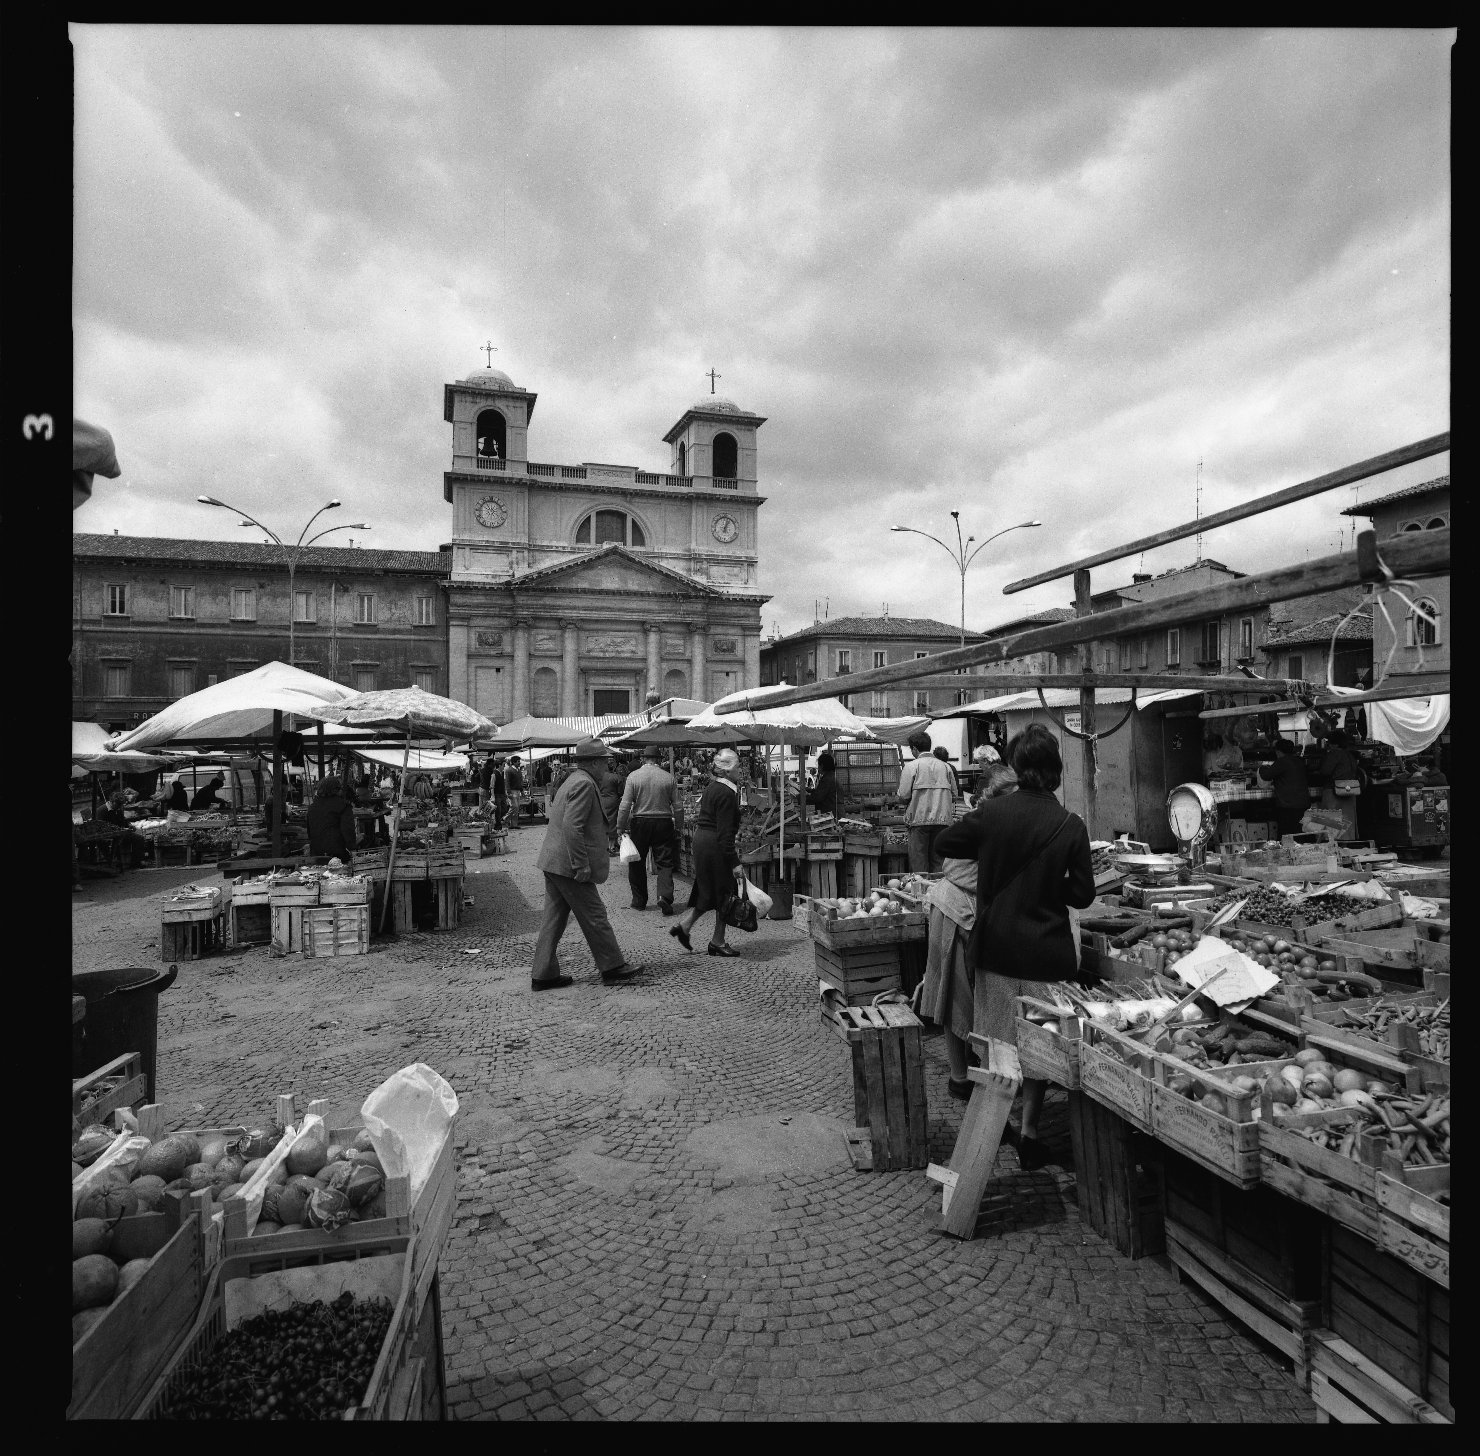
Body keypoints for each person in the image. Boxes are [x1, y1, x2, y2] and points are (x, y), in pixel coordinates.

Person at [933, 724, 1095, 1170]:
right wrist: (1046, 884)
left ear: (1018, 769)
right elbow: (1082, 895)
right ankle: (1029, 1132)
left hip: (997, 949)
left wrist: (993, 857)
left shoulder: (994, 815)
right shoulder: (1070, 824)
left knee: (995, 1040)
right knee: (1039, 1046)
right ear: (1056, 771)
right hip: (1046, 954)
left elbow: (945, 843)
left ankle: (995, 1122)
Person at [919, 763, 1018, 1103]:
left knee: (964, 996)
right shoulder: (981, 823)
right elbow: (953, 861)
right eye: (1011, 797)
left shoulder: (997, 823)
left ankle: (966, 1072)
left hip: (960, 911)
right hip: (955, 913)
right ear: (995, 797)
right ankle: (960, 1076)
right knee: (956, 996)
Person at [531, 739, 644, 990]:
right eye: (604, 761)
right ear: (594, 762)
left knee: (554, 919)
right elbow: (573, 827)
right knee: (595, 914)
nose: (607, 766)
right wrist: (580, 865)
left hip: (554, 861)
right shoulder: (583, 783)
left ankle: (543, 974)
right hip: (568, 865)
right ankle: (613, 966)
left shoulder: (573, 780)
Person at [670, 747, 747, 958]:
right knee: (725, 893)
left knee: (709, 891)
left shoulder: (713, 787)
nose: (740, 770)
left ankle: (684, 927)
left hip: (703, 841)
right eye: (738, 766)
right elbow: (723, 835)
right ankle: (718, 941)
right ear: (729, 769)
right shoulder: (727, 793)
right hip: (714, 845)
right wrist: (735, 862)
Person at [617, 744, 679, 914]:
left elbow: (624, 806)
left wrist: (620, 826)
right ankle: (664, 897)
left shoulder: (633, 777)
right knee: (665, 862)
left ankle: (639, 901)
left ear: (643, 759)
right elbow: (678, 807)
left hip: (640, 822)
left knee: (637, 862)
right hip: (663, 822)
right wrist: (678, 827)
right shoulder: (669, 778)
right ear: (659, 760)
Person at [896, 732, 957, 873]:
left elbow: (904, 796)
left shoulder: (911, 767)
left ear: (915, 749)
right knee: (939, 864)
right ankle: (938, 893)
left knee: (919, 865)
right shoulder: (946, 767)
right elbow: (954, 795)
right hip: (943, 821)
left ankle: (921, 893)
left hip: (919, 821)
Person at [1259, 739, 1311, 838]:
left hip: (1288, 804)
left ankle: (1288, 852)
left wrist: (1262, 767)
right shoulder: (1299, 761)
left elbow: (1266, 776)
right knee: (1301, 832)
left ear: (1278, 751)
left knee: (1287, 834)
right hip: (1303, 803)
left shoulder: (1282, 761)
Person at [1317, 728, 1363, 839]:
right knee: (1347, 818)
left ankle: (1334, 843)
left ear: (1334, 743)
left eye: (1329, 741)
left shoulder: (1334, 754)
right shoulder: (1350, 755)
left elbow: (1325, 771)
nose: (1328, 744)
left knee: (1332, 819)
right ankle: (1346, 843)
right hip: (1350, 790)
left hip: (1333, 791)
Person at [306, 775, 358, 862]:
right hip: (337, 855)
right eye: (339, 789)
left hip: (316, 854)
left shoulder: (312, 807)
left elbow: (310, 832)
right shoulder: (343, 806)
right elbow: (348, 830)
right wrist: (353, 849)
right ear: (336, 790)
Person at [805, 751, 839, 817]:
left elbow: (818, 797)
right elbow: (822, 792)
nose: (818, 768)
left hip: (831, 814)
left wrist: (802, 798)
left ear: (822, 766)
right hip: (832, 812)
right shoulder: (830, 776)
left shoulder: (827, 779)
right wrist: (810, 790)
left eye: (818, 765)